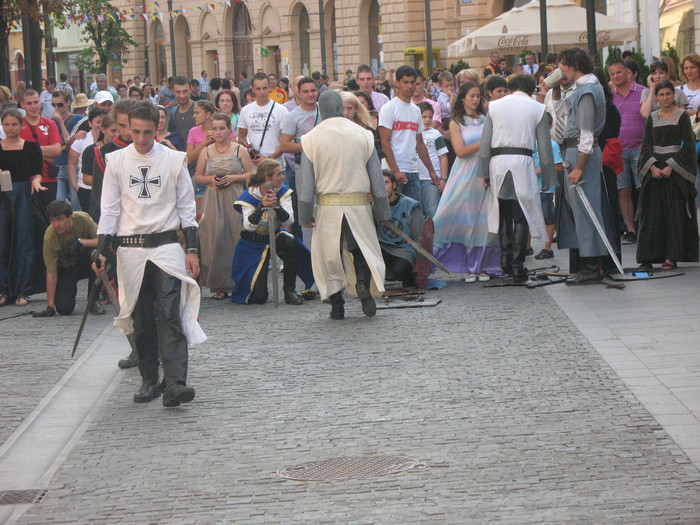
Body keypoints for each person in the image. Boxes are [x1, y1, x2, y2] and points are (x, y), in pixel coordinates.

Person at [94, 101, 205, 406]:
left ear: (157, 127)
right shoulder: (116, 161)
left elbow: (186, 208)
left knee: (169, 314)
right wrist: (102, 250)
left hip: (167, 246)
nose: (142, 139)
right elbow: (110, 209)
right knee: (141, 318)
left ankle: (175, 383)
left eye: (148, 132)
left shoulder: (173, 160)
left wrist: (192, 249)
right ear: (128, 127)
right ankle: (149, 380)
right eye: (136, 132)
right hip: (131, 250)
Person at [298, 90, 390, 320]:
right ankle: (361, 284)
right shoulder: (364, 135)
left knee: (330, 254)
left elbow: (306, 188)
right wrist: (382, 210)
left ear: (322, 109)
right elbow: (378, 183)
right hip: (358, 205)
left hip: (327, 207)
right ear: (341, 107)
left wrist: (304, 215)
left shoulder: (310, 138)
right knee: (361, 249)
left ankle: (336, 304)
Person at [479, 74, 556, 283]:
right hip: (523, 162)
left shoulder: (494, 107)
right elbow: (545, 148)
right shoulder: (537, 108)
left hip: (498, 162)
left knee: (503, 212)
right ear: (531, 89)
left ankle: (505, 260)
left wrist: (484, 172)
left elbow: (485, 144)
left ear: (511, 87)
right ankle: (517, 265)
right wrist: (548, 177)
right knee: (521, 216)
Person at [556, 47, 615, 284]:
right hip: (577, 152)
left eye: (562, 65)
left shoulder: (588, 91)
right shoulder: (585, 89)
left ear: (573, 65)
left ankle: (591, 265)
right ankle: (588, 262)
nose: (560, 70)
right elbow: (563, 114)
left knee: (585, 210)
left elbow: (586, 134)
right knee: (579, 210)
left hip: (582, 155)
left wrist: (579, 166)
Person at [433, 82, 500, 281]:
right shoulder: (456, 122)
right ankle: (467, 265)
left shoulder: (486, 119)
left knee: (484, 220)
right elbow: (460, 151)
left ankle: (484, 265)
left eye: (478, 95)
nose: (475, 99)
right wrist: (484, 142)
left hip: (484, 173)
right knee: (462, 217)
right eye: (471, 95)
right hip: (464, 174)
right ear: (463, 98)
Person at [231, 159, 312, 305]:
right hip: (253, 242)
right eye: (279, 174)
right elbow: (249, 226)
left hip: (275, 235)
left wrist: (277, 206)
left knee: (290, 241)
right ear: (267, 178)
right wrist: (261, 206)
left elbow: (289, 221)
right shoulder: (248, 196)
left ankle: (289, 291)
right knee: (258, 297)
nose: (282, 177)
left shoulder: (282, 192)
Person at [636, 79, 698, 270]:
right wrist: (652, 167)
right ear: (656, 97)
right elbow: (646, 145)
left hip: (674, 173)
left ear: (674, 95)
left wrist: (671, 166)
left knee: (673, 214)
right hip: (655, 171)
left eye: (668, 94)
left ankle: (671, 257)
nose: (665, 98)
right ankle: (649, 256)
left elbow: (688, 145)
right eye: (661, 95)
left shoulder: (682, 116)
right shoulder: (652, 118)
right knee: (653, 214)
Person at [195, 113, 253, 299]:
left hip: (234, 196)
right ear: (210, 130)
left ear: (229, 129)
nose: (218, 132)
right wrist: (211, 179)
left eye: (222, 128)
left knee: (235, 235)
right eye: (215, 128)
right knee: (214, 236)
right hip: (213, 197)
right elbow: (198, 177)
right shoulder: (206, 151)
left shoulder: (239, 149)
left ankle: (238, 281)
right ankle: (218, 284)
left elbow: (250, 174)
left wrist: (234, 178)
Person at [0, 109, 47, 306]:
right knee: (3, 243)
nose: (10, 128)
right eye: (7, 124)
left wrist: (36, 182)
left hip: (24, 197)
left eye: (14, 124)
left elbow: (37, 172)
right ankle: (4, 289)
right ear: (2, 125)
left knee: (24, 242)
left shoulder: (31, 147)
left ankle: (23, 290)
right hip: (3, 198)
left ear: (21, 125)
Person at [33, 200, 104, 316]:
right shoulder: (49, 237)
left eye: (60, 219)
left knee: (98, 257)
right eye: (52, 220)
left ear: (69, 217)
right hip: (66, 268)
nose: (56, 225)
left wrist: (81, 242)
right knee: (64, 308)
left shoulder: (83, 219)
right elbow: (51, 273)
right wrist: (50, 306)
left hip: (85, 261)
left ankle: (94, 300)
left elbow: (102, 241)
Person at [379, 65, 438, 205]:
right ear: (398, 83)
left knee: (413, 213)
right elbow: (384, 143)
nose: (410, 86)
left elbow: (420, 143)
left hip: (412, 169)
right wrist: (396, 171)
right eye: (406, 82)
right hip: (394, 172)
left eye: (414, 82)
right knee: (394, 212)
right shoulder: (389, 108)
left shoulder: (416, 110)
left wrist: (432, 171)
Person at [608, 58, 647, 245]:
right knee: (623, 190)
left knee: (643, 188)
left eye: (619, 72)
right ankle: (630, 229)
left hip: (640, 147)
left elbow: (651, 118)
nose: (616, 76)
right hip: (619, 149)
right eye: (612, 73)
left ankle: (645, 226)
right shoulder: (610, 96)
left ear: (627, 72)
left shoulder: (641, 91)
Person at [280, 77, 321, 238]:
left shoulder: (325, 110)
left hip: (327, 168)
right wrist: (310, 145)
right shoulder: (292, 116)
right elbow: (285, 145)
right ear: (298, 92)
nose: (310, 94)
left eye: (313, 90)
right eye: (306, 91)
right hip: (303, 169)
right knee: (307, 211)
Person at [377, 171, 422, 288]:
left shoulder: (410, 205)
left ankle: (407, 276)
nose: (383, 187)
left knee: (400, 272)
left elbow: (419, 237)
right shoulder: (372, 207)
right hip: (384, 248)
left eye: (386, 183)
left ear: (394, 185)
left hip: (404, 249)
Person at [19, 90, 62, 209]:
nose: (33, 106)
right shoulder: (18, 126)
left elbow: (57, 150)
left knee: (48, 217)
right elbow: (18, 153)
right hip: (25, 179)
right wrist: (45, 153)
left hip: (49, 178)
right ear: (22, 104)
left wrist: (30, 151)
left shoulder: (50, 123)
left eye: (36, 102)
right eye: (29, 103)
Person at [237, 72, 289, 167]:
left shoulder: (281, 110)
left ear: (269, 87)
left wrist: (269, 158)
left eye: (265, 88)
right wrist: (245, 143)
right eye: (258, 89)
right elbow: (241, 137)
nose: (262, 92)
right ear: (253, 89)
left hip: (275, 166)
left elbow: (285, 142)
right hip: (253, 166)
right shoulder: (245, 110)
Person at [533, 112, 564, 260]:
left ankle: (547, 247)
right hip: (531, 186)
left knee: (547, 216)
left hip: (544, 186)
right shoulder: (531, 143)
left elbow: (559, 166)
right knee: (528, 216)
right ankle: (526, 247)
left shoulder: (552, 145)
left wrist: (540, 170)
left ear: (550, 127)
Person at [67, 107, 107, 215]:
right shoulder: (82, 139)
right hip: (85, 188)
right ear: (90, 123)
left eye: (103, 122)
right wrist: (74, 185)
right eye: (98, 122)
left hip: (104, 188)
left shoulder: (109, 141)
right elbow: (71, 163)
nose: (100, 125)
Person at [51, 89, 85, 209]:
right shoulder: (51, 122)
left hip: (74, 167)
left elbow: (69, 142)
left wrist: (60, 122)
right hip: (58, 166)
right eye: (53, 105)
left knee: (76, 206)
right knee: (58, 204)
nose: (57, 108)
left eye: (59, 104)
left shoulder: (77, 119)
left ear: (68, 103)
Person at [416, 102, 447, 218]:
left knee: (432, 212)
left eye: (430, 117)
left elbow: (443, 157)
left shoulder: (435, 134)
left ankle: (435, 236)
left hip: (432, 180)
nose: (428, 120)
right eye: (424, 117)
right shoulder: (411, 134)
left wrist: (443, 178)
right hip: (415, 178)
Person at [166, 75, 195, 152]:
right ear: (173, 91)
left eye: (185, 91)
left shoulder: (200, 110)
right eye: (178, 92)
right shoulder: (173, 113)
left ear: (191, 89)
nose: (182, 95)